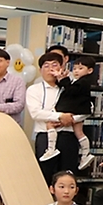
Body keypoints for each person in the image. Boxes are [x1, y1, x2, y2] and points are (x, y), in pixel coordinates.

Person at [26, 52, 82, 183]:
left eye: (55, 65)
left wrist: (72, 119)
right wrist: (60, 117)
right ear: (40, 70)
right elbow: (35, 113)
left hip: (68, 135)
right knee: (46, 175)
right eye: (46, 66)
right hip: (45, 136)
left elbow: (86, 108)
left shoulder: (71, 87)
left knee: (68, 175)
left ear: (62, 68)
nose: (51, 69)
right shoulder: (34, 90)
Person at [40, 56, 96, 170]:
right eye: (74, 68)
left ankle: (51, 149)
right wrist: (62, 79)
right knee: (79, 132)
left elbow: (71, 90)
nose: (76, 71)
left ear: (89, 71)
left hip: (76, 111)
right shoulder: (79, 81)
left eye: (80, 68)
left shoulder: (83, 82)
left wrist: (63, 80)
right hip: (80, 112)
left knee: (50, 124)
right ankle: (86, 154)